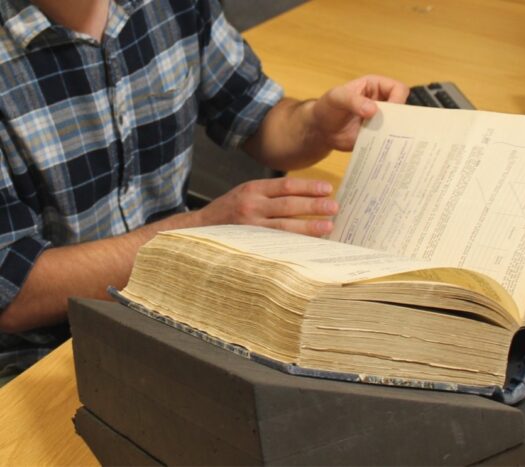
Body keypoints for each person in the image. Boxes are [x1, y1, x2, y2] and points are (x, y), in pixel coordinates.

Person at [0, 0, 408, 379]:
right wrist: (198, 231)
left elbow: (253, 113)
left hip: (177, 302)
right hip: (45, 353)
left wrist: (317, 123)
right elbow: (13, 295)